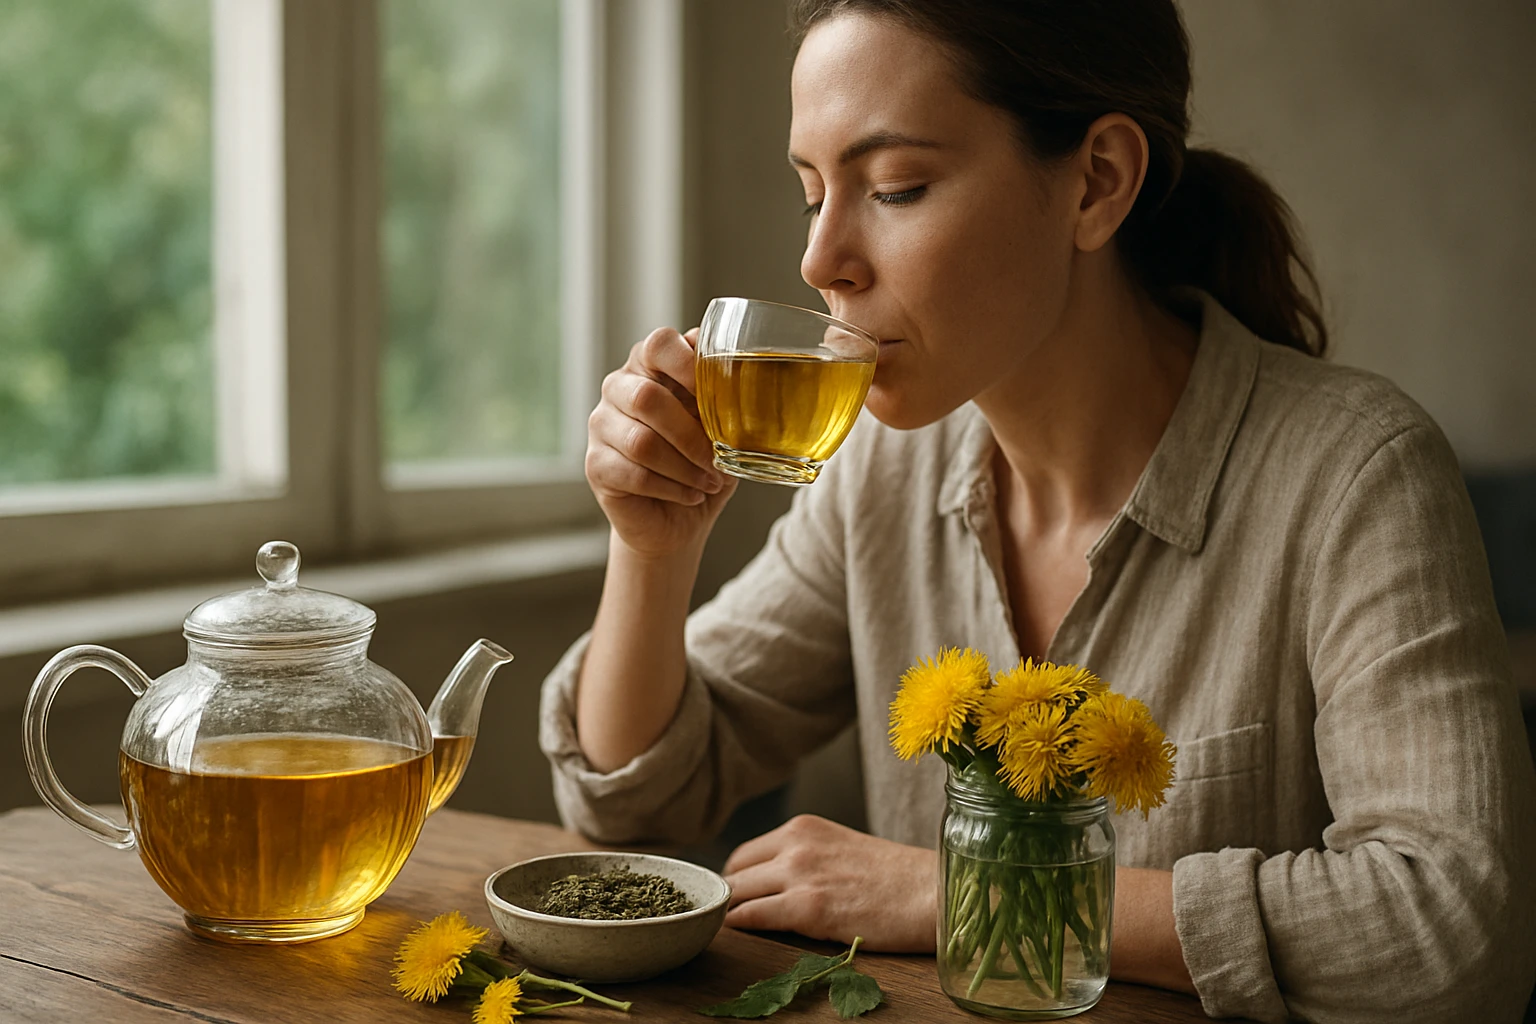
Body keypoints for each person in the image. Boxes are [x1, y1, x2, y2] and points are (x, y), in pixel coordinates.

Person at [538, 1, 1536, 1020]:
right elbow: (633, 796)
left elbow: (1453, 924)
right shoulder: (884, 469)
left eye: (895, 187)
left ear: (1097, 182)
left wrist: (950, 891)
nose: (820, 258)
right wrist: (651, 551)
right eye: (812, 193)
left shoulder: (1357, 473)